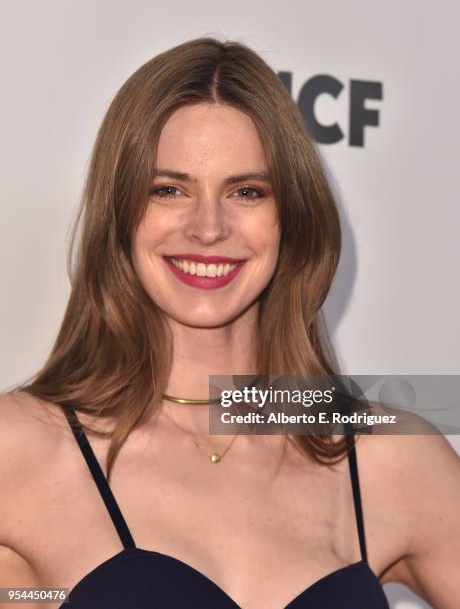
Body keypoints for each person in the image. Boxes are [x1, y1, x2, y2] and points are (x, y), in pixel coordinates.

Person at [0, 36, 459, 609]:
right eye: (168, 190)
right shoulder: (18, 451)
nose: (208, 228)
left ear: (291, 214)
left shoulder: (389, 458)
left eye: (247, 191)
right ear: (119, 213)